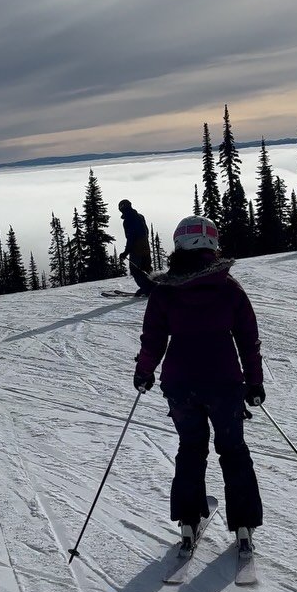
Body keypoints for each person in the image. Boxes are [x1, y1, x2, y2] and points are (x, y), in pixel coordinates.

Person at [132, 215, 265, 556]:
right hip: (224, 383)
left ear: (179, 244)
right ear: (212, 244)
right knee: (233, 450)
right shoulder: (228, 287)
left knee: (191, 448)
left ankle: (188, 521)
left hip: (180, 385)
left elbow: (153, 339)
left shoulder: (165, 291)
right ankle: (244, 525)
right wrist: (254, 383)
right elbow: (247, 339)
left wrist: (144, 372)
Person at [117, 199, 154, 296]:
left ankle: (147, 288)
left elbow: (131, 237)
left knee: (135, 270)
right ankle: (153, 286)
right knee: (146, 268)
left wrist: (125, 252)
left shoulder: (128, 220)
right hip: (145, 245)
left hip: (137, 248)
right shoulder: (140, 216)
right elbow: (146, 230)